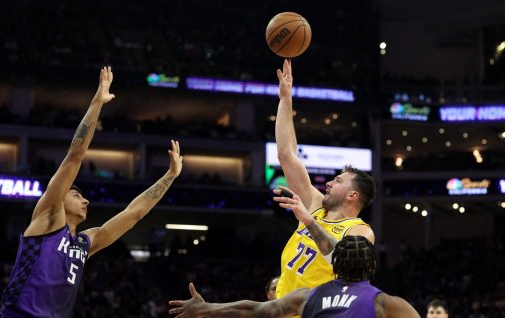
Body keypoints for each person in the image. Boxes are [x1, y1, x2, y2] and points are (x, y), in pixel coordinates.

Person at [0, 67, 184, 318]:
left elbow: (134, 214)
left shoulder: (86, 242)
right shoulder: (48, 218)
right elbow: (75, 156)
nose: (85, 199)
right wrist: (97, 103)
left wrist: (170, 176)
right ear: (59, 198)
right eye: (76, 195)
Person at [272, 59, 377, 299]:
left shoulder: (359, 231)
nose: (329, 183)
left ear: (353, 195)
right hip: (282, 310)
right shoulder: (315, 205)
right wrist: (285, 101)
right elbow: (286, 155)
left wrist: (308, 220)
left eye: (338, 181)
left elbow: (341, 261)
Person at [169, 236, 420, 318]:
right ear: (373, 267)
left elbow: (253, 310)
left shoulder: (308, 296)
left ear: (334, 265)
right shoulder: (387, 304)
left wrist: (205, 308)